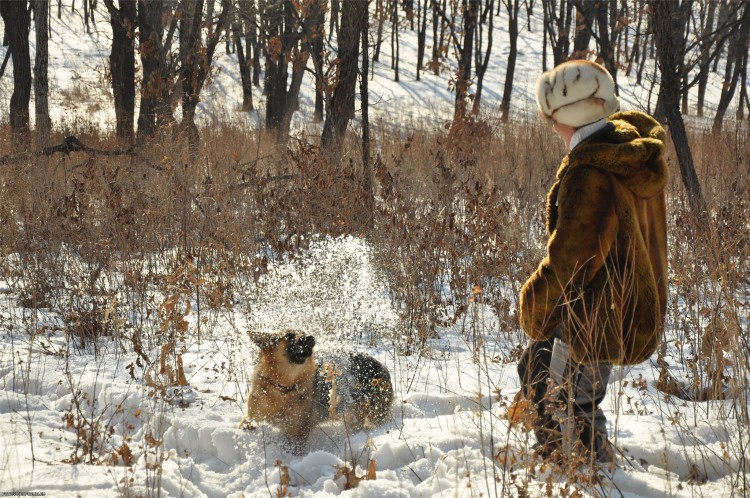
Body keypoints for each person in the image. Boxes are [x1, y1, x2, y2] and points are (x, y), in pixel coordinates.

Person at [516, 60, 668, 465]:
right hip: (619, 308)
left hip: (590, 313)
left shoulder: (590, 173)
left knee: (562, 399)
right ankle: (577, 468)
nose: (550, 126)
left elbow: (573, 258)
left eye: (554, 117)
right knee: (539, 371)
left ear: (572, 115)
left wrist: (534, 303)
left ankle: (577, 475)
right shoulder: (625, 154)